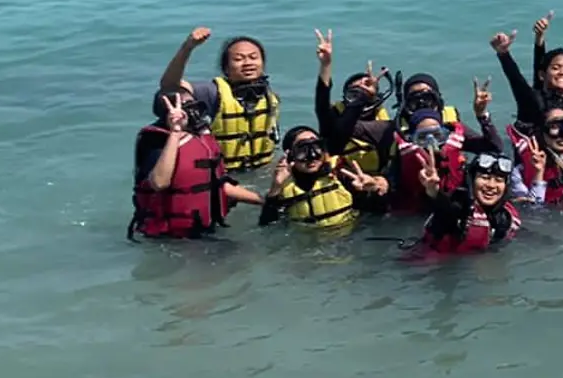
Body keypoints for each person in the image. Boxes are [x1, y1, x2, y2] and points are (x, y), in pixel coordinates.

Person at [130, 88, 263, 239]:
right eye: (184, 106)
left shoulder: (200, 140)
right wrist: (175, 132)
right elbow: (159, 183)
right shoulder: (156, 141)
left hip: (203, 229)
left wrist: (265, 201)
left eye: (194, 105)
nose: (191, 112)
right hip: (169, 238)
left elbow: (220, 185)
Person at [159, 26, 280, 172]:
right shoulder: (211, 92)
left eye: (253, 57)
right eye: (238, 59)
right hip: (223, 177)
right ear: (226, 68)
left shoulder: (269, 95)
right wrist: (188, 47)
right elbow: (169, 85)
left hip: (262, 172)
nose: (248, 63)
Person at [391, 74, 503, 217]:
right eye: (415, 101)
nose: (422, 104)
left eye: (427, 99)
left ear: (438, 100)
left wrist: (482, 116)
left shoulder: (451, 130)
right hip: (416, 210)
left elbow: (494, 148)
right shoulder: (397, 135)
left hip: (452, 201)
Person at [259, 126, 389, 230]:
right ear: (290, 155)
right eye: (302, 150)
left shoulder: (340, 174)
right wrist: (275, 188)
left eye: (316, 148)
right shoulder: (284, 185)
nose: (312, 156)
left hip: (348, 238)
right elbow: (267, 226)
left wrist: (373, 190)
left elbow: (377, 212)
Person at [311, 29, 396, 178]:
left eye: (365, 91)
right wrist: (326, 65)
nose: (359, 96)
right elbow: (322, 105)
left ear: (375, 97)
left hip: (375, 183)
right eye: (353, 93)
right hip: (341, 181)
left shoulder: (385, 126)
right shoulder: (334, 121)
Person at [416, 153, 521, 255]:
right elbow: (445, 208)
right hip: (431, 267)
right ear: (471, 181)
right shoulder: (459, 205)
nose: (491, 185)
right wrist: (433, 190)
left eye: (498, 180)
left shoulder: (506, 214)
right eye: (484, 178)